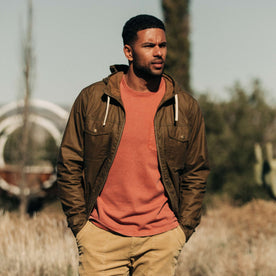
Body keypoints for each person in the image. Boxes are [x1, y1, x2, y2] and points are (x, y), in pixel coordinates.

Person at [57, 14, 210, 276]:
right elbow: (69, 163)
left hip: (160, 239)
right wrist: (80, 226)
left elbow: (196, 170)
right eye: (149, 46)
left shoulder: (184, 106)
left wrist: (182, 229)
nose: (159, 52)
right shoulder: (93, 99)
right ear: (128, 51)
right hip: (101, 237)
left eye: (162, 45)